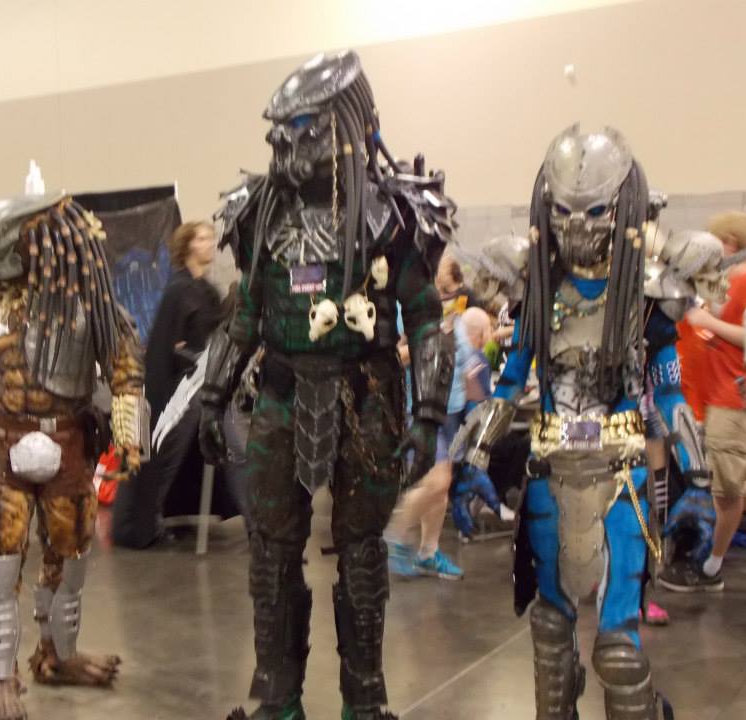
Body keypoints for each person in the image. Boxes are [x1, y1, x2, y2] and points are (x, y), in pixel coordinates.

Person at [199, 51, 455, 720]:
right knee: (271, 553)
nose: (288, 144)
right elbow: (246, 314)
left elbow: (425, 317)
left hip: (367, 399)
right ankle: (278, 698)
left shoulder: (390, 215)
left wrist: (429, 413)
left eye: (303, 128)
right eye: (281, 131)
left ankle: (364, 701)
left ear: (342, 125)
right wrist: (213, 395)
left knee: (363, 553)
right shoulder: (261, 212)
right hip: (282, 396)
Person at [454, 125, 716, 718]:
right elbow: (511, 380)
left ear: (621, 205)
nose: (578, 227)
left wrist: (698, 480)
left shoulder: (647, 293)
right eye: (565, 212)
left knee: (618, 651)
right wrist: (472, 457)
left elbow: (669, 391)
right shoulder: (537, 290)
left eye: (595, 210)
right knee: (550, 637)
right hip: (549, 476)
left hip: (621, 480)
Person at [0, 194, 147, 720]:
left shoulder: (93, 311)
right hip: (1, 453)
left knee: (69, 557)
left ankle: (58, 655)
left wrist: (129, 436)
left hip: (69, 450)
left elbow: (126, 379)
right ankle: (0, 678)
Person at [112, 221, 222, 548]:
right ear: (188, 246)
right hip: (178, 392)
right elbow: (166, 345)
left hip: (203, 386)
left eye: (211, 238)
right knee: (164, 454)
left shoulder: (208, 291)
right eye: (202, 238)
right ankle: (147, 521)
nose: (210, 243)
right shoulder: (178, 290)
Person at [660, 212, 746, 592]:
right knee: (699, 485)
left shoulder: (743, 279)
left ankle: (708, 565)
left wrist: (707, 322)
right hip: (700, 399)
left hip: (728, 400)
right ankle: (693, 558)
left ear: (730, 243)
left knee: (724, 489)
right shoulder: (716, 282)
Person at [387, 306, 499, 577]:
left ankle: (428, 552)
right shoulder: (413, 314)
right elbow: (395, 358)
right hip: (423, 413)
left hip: (449, 416)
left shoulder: (458, 329)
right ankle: (394, 538)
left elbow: (472, 386)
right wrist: (428, 347)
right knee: (436, 482)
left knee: (441, 488)